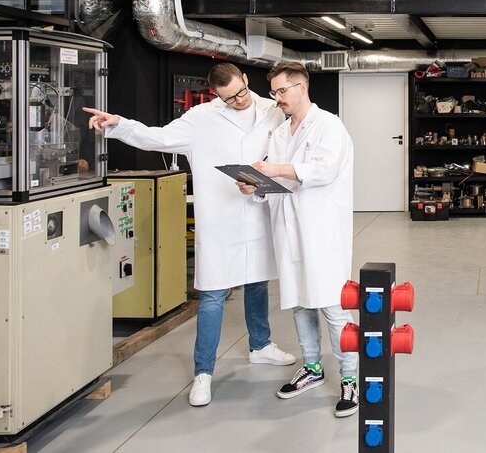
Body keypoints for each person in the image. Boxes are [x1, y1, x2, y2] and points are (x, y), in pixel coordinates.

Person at [82, 64, 295, 408]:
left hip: (257, 211)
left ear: (245, 78)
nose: (239, 101)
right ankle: (204, 373)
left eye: (241, 93)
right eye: (229, 99)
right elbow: (158, 137)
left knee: (258, 282)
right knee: (212, 294)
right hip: (219, 218)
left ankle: (261, 345)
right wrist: (119, 124)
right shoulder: (201, 118)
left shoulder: (271, 112)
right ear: (216, 95)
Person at [236, 63, 357, 418]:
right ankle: (312, 368)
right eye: (273, 92)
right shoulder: (280, 132)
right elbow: (280, 182)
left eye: (281, 91)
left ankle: (350, 377)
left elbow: (323, 170)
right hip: (287, 229)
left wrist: (272, 170)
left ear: (301, 87)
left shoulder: (329, 125)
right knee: (300, 302)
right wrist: (255, 186)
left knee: (333, 305)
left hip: (321, 230)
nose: (277, 99)